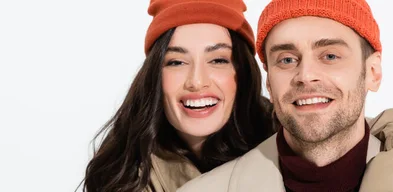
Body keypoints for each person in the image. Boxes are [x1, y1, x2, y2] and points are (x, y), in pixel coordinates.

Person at [177, 0, 393, 192]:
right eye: (287, 60)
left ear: (373, 72)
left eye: (330, 55)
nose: (306, 75)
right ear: (269, 83)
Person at [81, 0, 275, 191]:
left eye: (217, 60)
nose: (197, 81)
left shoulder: (289, 144)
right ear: (155, 74)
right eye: (176, 62)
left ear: (243, 72)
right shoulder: (124, 173)